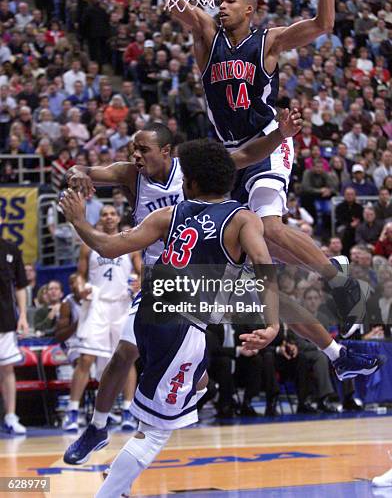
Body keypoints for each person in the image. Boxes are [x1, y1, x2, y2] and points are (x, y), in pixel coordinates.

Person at [64, 119, 381, 466]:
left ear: (167, 152)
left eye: (143, 149)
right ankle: (97, 427)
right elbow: (84, 169)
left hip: (210, 267)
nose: (135, 154)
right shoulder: (129, 174)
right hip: (166, 280)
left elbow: (245, 154)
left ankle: (339, 355)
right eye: (133, 148)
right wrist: (78, 172)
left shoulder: (195, 167)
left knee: (277, 297)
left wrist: (279, 136)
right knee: (125, 353)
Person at [133, 0, 369, 339]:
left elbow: (324, 22)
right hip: (231, 154)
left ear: (249, 10)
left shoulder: (269, 42)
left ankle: (343, 285)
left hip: (270, 143)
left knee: (271, 229)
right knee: (266, 245)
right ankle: (337, 272)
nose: (220, 5)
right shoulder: (206, 36)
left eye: (230, 0)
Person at [59, 139, 281, 497]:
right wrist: (271, 324)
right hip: (184, 327)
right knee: (155, 431)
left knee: (199, 380)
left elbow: (108, 246)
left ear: (189, 183)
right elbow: (265, 270)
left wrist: (79, 222)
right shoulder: (243, 218)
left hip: (149, 310)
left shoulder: (168, 215)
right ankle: (109, 493)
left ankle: (110, 436)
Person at [62, 205, 141, 432]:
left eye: (112, 213)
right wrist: (79, 288)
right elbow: (79, 275)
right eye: (105, 214)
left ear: (117, 218)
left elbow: (142, 272)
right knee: (86, 358)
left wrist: (140, 282)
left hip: (122, 304)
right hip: (96, 304)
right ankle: (72, 411)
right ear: (101, 219)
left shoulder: (131, 243)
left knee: (127, 358)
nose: (109, 217)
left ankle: (127, 410)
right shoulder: (90, 245)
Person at [0, 228, 29, 434]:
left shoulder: (11, 250)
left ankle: (11, 416)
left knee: (7, 369)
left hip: (5, 319)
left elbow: (20, 286)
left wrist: (23, 316)